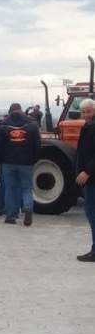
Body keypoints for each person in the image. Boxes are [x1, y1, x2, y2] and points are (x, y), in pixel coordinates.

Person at [0, 103, 40, 226]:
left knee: (10, 189)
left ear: (10, 112)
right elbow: (37, 145)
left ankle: (11, 216)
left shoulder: (3, 126)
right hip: (26, 163)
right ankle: (28, 209)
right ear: (21, 111)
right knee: (26, 188)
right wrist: (34, 159)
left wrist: (0, 160)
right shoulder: (32, 126)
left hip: (8, 163)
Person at [74, 99, 95, 262]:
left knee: (92, 212)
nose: (86, 115)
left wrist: (87, 171)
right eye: (83, 112)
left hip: (92, 176)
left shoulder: (92, 127)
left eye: (88, 111)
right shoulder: (88, 126)